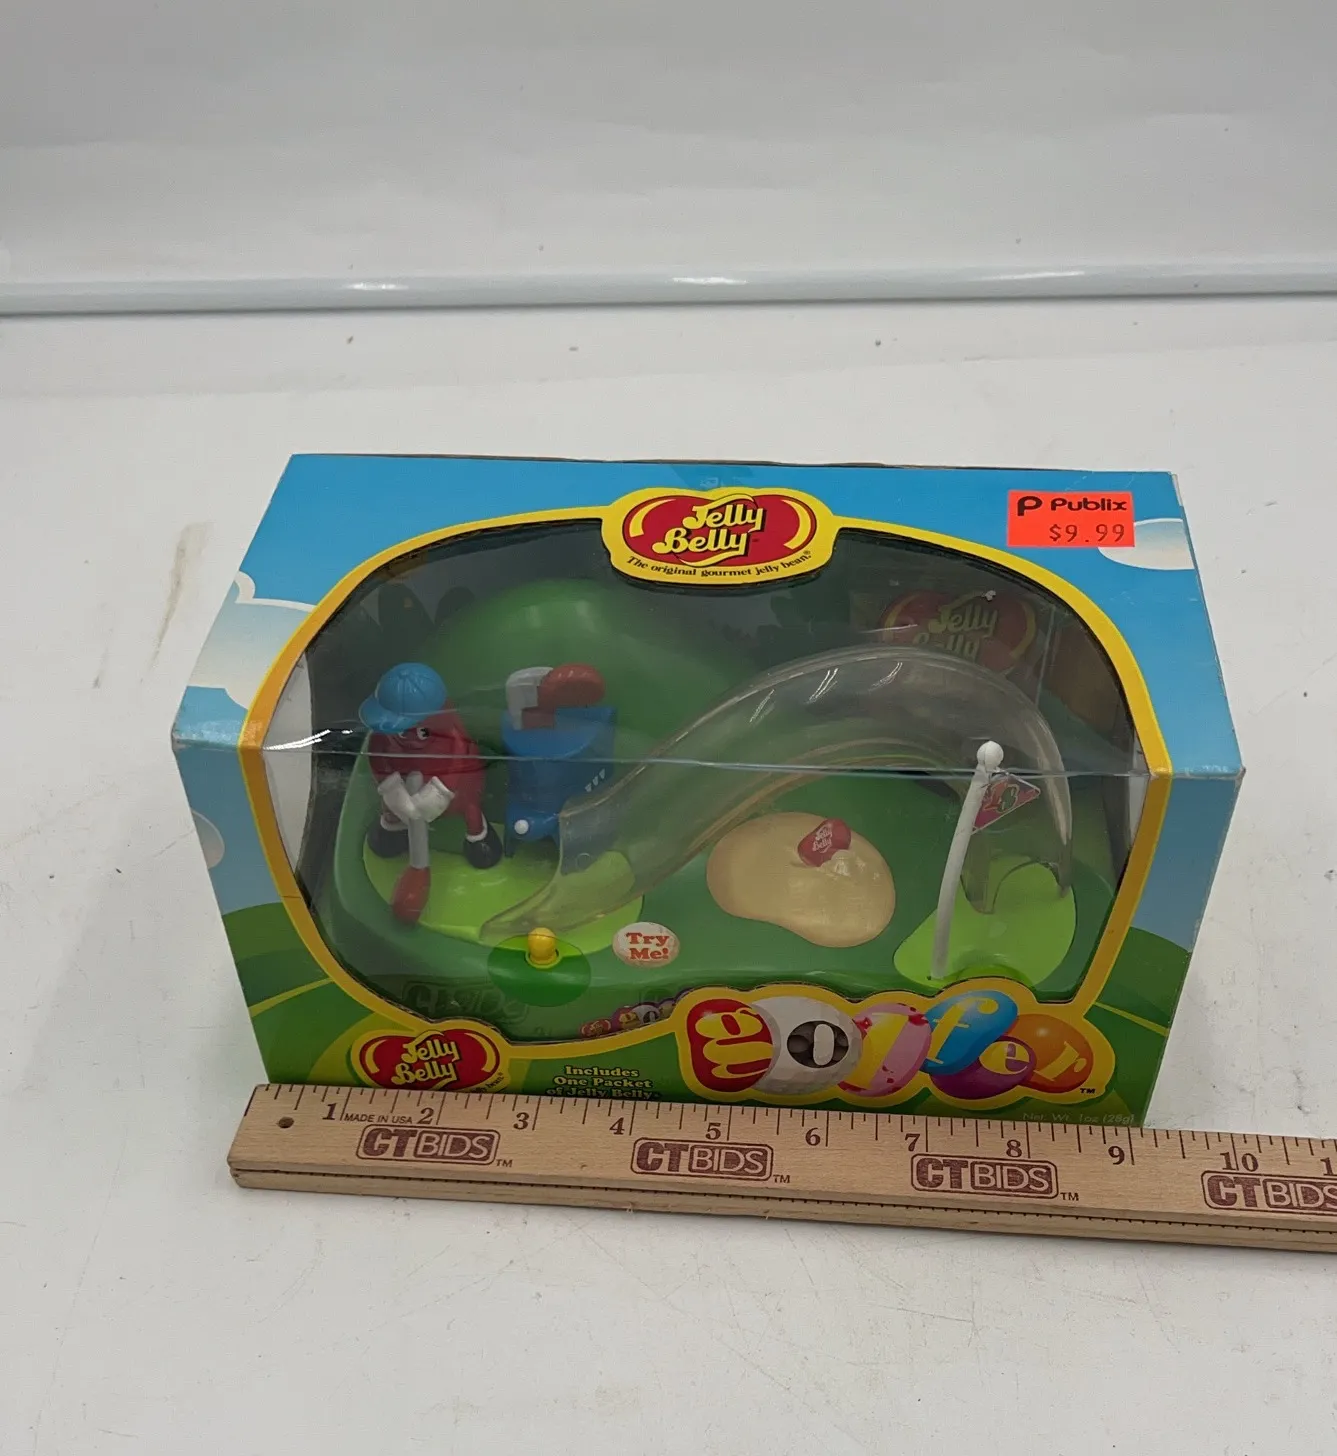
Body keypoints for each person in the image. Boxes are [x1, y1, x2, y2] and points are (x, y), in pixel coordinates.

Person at [359, 662, 502, 924]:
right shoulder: (385, 736)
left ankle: (479, 837)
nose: (405, 737)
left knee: (470, 808)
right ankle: (391, 830)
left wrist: (439, 791)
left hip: (453, 793)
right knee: (391, 812)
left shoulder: (451, 737)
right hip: (403, 784)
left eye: (412, 731)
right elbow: (378, 756)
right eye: (398, 731)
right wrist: (392, 789)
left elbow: (460, 763)